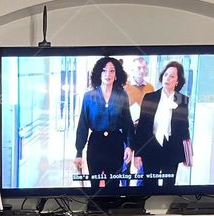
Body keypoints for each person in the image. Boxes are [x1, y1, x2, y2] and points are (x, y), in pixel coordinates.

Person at [74, 56, 135, 191]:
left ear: (116, 74)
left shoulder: (122, 95)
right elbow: (82, 125)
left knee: (113, 185)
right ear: (98, 73)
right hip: (96, 143)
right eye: (104, 70)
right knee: (95, 185)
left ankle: (112, 210)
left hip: (115, 143)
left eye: (112, 71)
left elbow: (127, 123)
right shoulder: (89, 96)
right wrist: (79, 152)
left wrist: (129, 146)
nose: (108, 74)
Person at [135, 60, 192, 189]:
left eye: (172, 76)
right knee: (149, 184)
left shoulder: (182, 100)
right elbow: (142, 126)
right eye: (166, 74)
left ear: (177, 81)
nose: (168, 78)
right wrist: (137, 153)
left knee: (169, 185)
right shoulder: (150, 97)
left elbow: (184, 127)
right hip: (151, 146)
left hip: (171, 147)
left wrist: (187, 154)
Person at [123, 56, 154, 125]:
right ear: (132, 69)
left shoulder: (150, 87)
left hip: (145, 124)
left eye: (144, 68)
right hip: (128, 124)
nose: (142, 71)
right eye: (139, 68)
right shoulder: (124, 87)